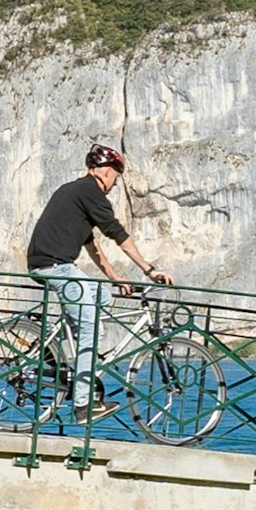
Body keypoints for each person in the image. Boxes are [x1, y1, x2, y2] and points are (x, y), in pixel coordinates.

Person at [27, 142, 168, 389]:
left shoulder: (76, 191)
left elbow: (91, 244)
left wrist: (114, 277)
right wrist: (149, 270)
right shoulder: (90, 191)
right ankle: (85, 402)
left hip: (51, 265)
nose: (115, 184)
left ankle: (56, 346)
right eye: (116, 176)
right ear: (104, 171)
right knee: (92, 332)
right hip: (57, 267)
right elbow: (117, 233)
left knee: (101, 293)